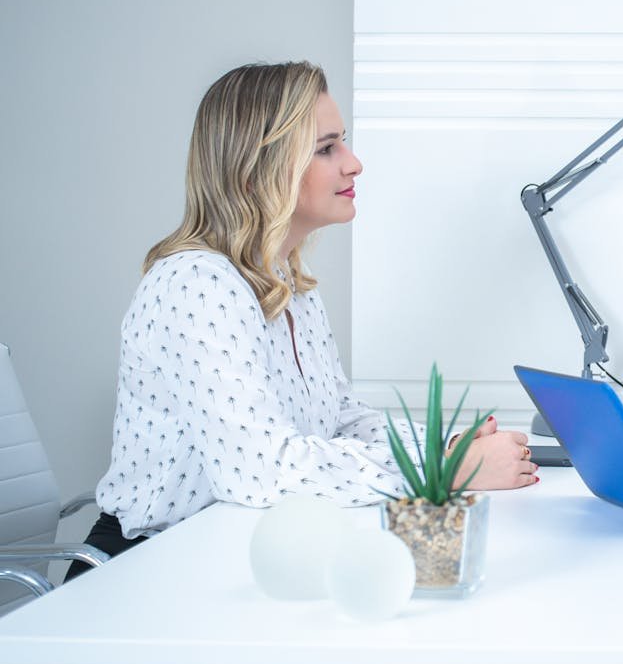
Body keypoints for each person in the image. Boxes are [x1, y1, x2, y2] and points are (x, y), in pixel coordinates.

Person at [72, 62, 538, 578]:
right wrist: (450, 472)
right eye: (327, 148)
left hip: (232, 552)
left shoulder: (288, 283)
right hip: (143, 571)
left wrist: (441, 447)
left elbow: (343, 422)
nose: (354, 164)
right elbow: (260, 470)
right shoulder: (196, 282)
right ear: (257, 170)